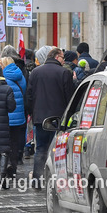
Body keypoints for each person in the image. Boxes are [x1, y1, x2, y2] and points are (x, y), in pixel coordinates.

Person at [26, 46, 75, 187]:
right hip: (58, 119)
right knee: (57, 149)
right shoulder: (64, 73)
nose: (63, 61)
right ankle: (55, 180)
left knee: (41, 148)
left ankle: (37, 179)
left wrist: (32, 113)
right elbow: (69, 98)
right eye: (62, 58)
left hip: (40, 118)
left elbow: (29, 96)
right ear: (56, 57)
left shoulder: (35, 72)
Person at [0, 55, 28, 176]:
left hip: (5, 116)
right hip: (19, 115)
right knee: (15, 143)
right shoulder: (21, 76)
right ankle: (13, 166)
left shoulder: (2, 77)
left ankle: (4, 167)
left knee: (5, 142)